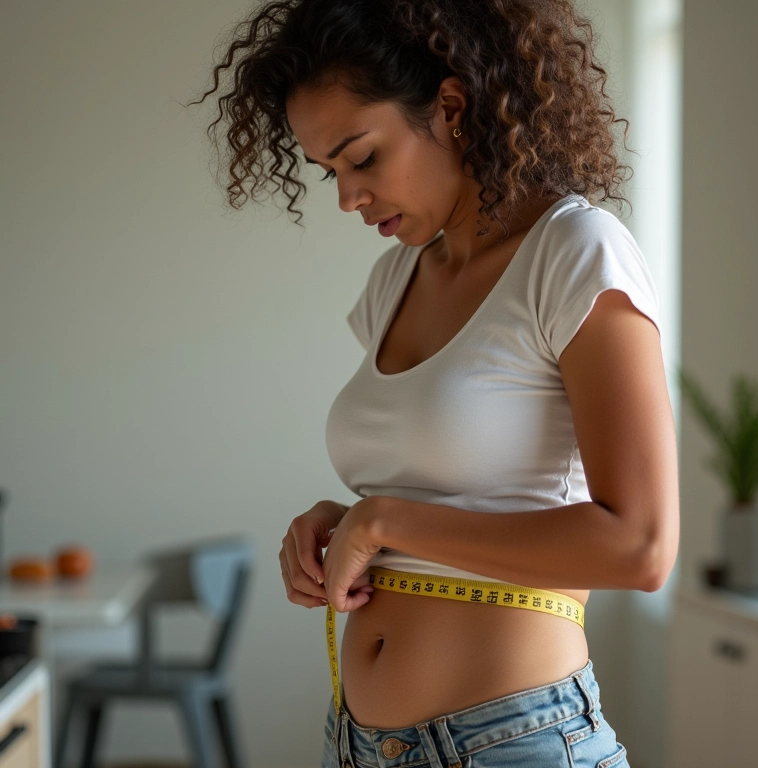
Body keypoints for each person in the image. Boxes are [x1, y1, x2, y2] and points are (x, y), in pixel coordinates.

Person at [191, 1, 679, 765]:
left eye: (363, 158)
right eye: (328, 173)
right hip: (354, 743)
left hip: (518, 743)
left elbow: (641, 547)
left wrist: (385, 523)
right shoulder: (395, 281)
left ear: (450, 107)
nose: (348, 199)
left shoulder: (575, 251)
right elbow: (452, 490)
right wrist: (340, 521)